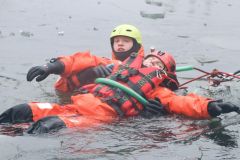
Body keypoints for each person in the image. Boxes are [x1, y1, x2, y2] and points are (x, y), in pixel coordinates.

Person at [0, 24, 239, 134]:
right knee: (19, 111)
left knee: (47, 126)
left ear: (166, 74)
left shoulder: (157, 93)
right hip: (72, 105)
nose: (153, 65)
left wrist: (211, 106)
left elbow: (185, 103)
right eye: (151, 61)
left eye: (159, 65)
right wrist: (53, 66)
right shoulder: (115, 68)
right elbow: (83, 60)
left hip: (97, 120)